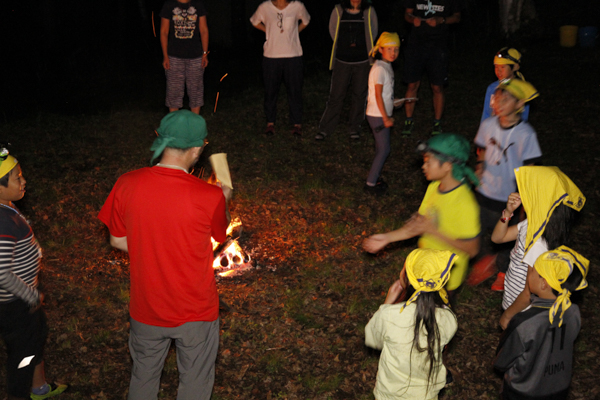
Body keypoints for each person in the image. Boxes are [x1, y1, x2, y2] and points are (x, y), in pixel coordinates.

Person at [98, 111, 232, 400]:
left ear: (160, 139)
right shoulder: (209, 196)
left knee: (143, 376)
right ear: (198, 149)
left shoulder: (127, 183)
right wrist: (225, 199)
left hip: (147, 307)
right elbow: (219, 237)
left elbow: (117, 240)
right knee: (194, 384)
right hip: (195, 310)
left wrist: (153, 247)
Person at [363, 133, 480, 293]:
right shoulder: (434, 187)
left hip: (444, 280)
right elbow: (419, 224)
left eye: (428, 162)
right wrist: (387, 238)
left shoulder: (465, 203)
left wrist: (434, 231)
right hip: (424, 269)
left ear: (447, 165)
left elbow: (472, 250)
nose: (423, 166)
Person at [0, 148, 68, 400]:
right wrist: (30, 295)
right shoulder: (2, 221)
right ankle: (19, 394)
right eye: (17, 178)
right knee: (22, 357)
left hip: (22, 299)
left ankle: (38, 388)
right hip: (14, 303)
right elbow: (1, 273)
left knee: (35, 338)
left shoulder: (7, 208)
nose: (23, 180)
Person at [468, 78, 541, 291]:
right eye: (498, 96)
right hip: (484, 190)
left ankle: (502, 270)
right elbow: (481, 148)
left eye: (506, 98)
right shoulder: (488, 124)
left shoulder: (525, 134)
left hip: (507, 198)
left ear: (519, 105)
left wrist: (524, 199)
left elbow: (531, 168)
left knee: (506, 237)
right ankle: (484, 261)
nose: (499, 101)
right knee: (479, 227)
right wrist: (479, 166)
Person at [494, 166, 585, 330]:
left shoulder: (538, 243)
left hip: (522, 312)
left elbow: (529, 292)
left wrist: (508, 315)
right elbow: (498, 238)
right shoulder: (532, 225)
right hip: (515, 304)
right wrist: (507, 213)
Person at [494, 246, 589, 400]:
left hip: (523, 391)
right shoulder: (573, 312)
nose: (528, 272)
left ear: (544, 284)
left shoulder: (525, 322)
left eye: (532, 271)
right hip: (559, 387)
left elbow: (502, 361)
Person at [365, 248, 458, 400]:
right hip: (426, 395)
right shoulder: (449, 319)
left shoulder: (390, 315)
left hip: (390, 394)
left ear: (407, 279)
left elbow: (373, 339)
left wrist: (386, 304)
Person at [316, 0, 378, 141]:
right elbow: (333, 30)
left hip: (362, 61)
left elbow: (373, 31)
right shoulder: (338, 10)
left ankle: (354, 128)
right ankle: (325, 129)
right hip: (342, 60)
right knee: (336, 96)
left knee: (359, 95)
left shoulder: (368, 11)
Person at [400, 0, 461, 136]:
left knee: (437, 87)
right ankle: (409, 120)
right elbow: (407, 14)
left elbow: (457, 17)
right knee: (412, 85)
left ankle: (437, 122)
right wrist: (412, 19)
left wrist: (442, 20)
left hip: (438, 46)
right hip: (416, 45)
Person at [250, 0, 311, 136]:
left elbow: (306, 20)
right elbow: (254, 21)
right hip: (271, 56)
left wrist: (296, 32)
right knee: (270, 91)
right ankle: (270, 122)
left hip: (293, 55)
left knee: (295, 90)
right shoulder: (265, 7)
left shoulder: (297, 6)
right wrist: (268, 31)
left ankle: (296, 124)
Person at [363, 32, 400, 196]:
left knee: (381, 148)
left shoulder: (386, 66)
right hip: (377, 115)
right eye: (389, 49)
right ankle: (370, 184)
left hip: (380, 112)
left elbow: (384, 94)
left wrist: (393, 101)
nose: (393, 53)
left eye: (396, 49)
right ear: (381, 50)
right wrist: (386, 118)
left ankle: (374, 178)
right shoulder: (379, 69)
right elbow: (377, 95)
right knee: (384, 149)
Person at [160, 0, 210, 114]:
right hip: (174, 56)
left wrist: (205, 54)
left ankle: (194, 124)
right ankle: (174, 124)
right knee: (173, 93)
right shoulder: (169, 5)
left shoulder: (198, 5)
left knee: (196, 92)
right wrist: (165, 56)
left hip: (196, 56)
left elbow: (204, 30)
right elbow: (163, 32)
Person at [480, 47, 530, 123]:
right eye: (496, 67)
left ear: (515, 67)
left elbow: (523, 118)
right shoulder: (492, 88)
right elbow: (486, 115)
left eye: (503, 67)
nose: (498, 71)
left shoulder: (522, 90)